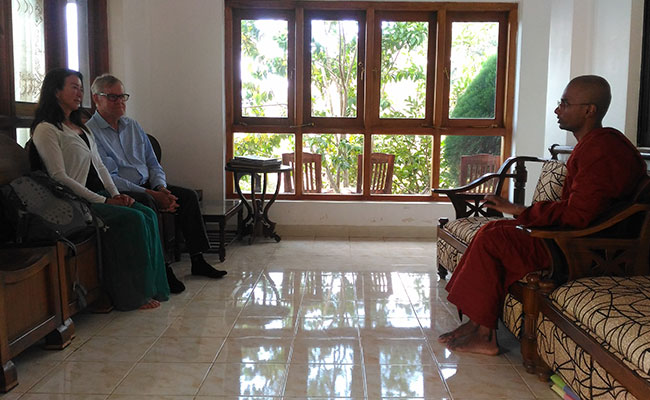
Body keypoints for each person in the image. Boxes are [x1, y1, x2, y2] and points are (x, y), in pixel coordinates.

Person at [438, 75, 647, 355]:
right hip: (572, 238)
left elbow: (579, 215)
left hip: (582, 249)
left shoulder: (603, 150)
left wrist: (521, 211)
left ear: (589, 110)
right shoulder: (595, 145)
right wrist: (523, 214)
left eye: (565, 103)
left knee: (495, 237)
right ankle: (478, 326)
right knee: (491, 232)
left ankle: (485, 335)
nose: (557, 110)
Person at [31, 68, 170, 311]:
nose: (79, 93)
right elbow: (58, 176)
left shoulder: (80, 129)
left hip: (97, 196)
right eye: (74, 87)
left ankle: (154, 286)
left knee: (147, 214)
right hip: (71, 202)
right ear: (55, 91)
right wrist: (104, 202)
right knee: (133, 220)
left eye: (81, 88)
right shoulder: (46, 129)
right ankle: (132, 296)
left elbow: (101, 167)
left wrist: (116, 194)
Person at [85, 74, 226, 294]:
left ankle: (198, 260)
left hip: (149, 184)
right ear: (96, 98)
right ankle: (164, 268)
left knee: (187, 196)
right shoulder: (91, 133)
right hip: (121, 190)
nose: (120, 102)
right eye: (113, 97)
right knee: (149, 201)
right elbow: (109, 176)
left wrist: (161, 188)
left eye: (123, 96)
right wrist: (152, 193)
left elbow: (153, 162)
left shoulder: (132, 126)